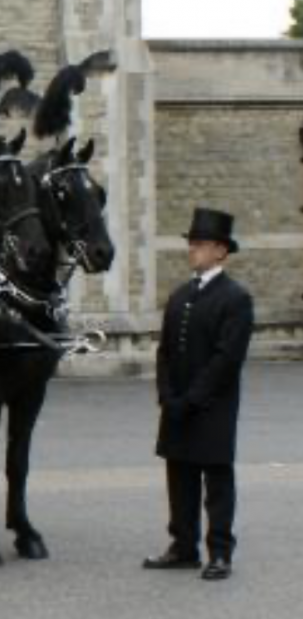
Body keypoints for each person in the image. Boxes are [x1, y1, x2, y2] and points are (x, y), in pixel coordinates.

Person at [143, 207, 254, 581]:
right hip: (177, 405)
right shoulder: (179, 295)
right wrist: (166, 394)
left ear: (221, 251)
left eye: (201, 244)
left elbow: (227, 358)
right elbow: (165, 352)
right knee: (180, 479)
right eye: (191, 243)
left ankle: (220, 551)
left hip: (212, 407)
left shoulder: (235, 298)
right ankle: (183, 547)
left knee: (217, 482)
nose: (192, 249)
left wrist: (192, 398)